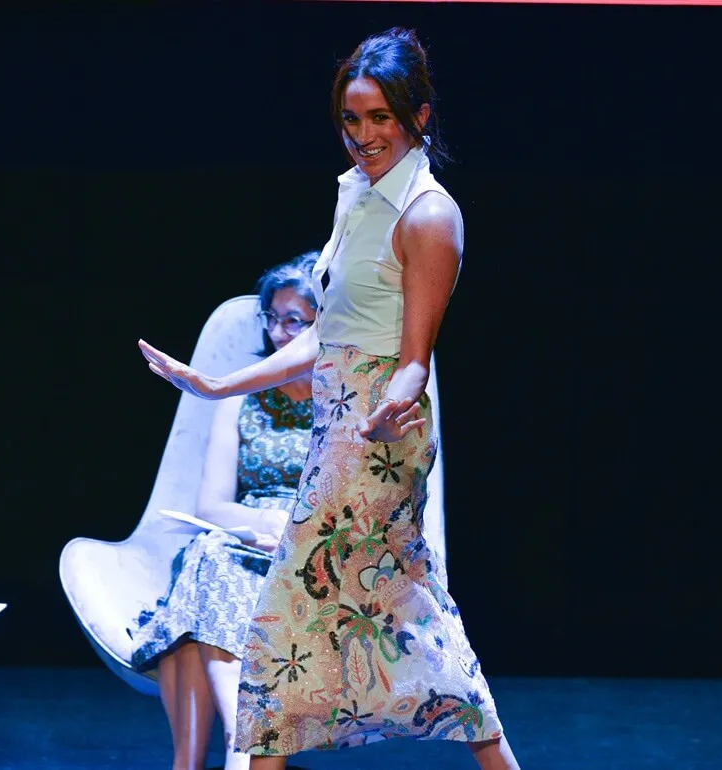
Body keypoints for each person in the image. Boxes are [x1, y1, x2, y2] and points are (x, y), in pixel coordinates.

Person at [138, 28, 521, 770]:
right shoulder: (357, 198)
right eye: (353, 119)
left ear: (420, 117)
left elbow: (414, 358)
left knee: (283, 624)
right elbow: (329, 338)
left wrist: (393, 405)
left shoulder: (428, 215)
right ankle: (493, 754)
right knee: (405, 612)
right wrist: (217, 383)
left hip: (378, 444)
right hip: (338, 431)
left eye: (381, 118)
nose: (364, 136)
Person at [129, 253, 320, 770]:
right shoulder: (245, 393)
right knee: (209, 557)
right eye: (273, 318)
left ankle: (233, 752)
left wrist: (294, 532)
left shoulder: (340, 398)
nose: (280, 332)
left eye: (294, 320)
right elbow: (210, 504)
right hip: (245, 539)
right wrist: (258, 526)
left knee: (196, 595)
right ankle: (245, 749)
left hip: (314, 548)